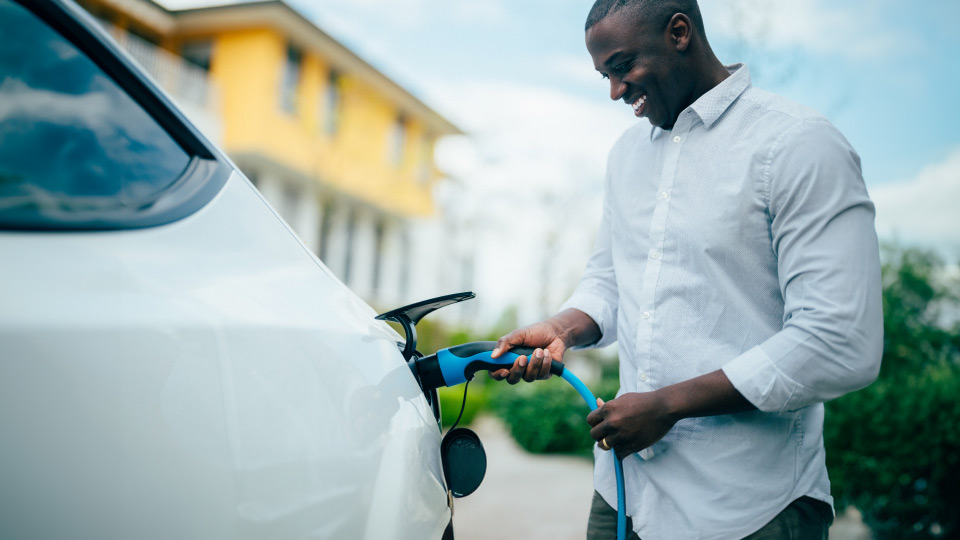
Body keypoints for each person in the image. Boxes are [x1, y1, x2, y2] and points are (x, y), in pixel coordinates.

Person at [488, 0, 884, 538]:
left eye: (623, 66)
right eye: (605, 75)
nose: (614, 90)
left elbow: (840, 340)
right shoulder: (626, 155)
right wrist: (562, 329)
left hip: (748, 506)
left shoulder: (799, 145)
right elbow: (610, 278)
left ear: (679, 33)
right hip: (623, 496)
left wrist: (668, 405)